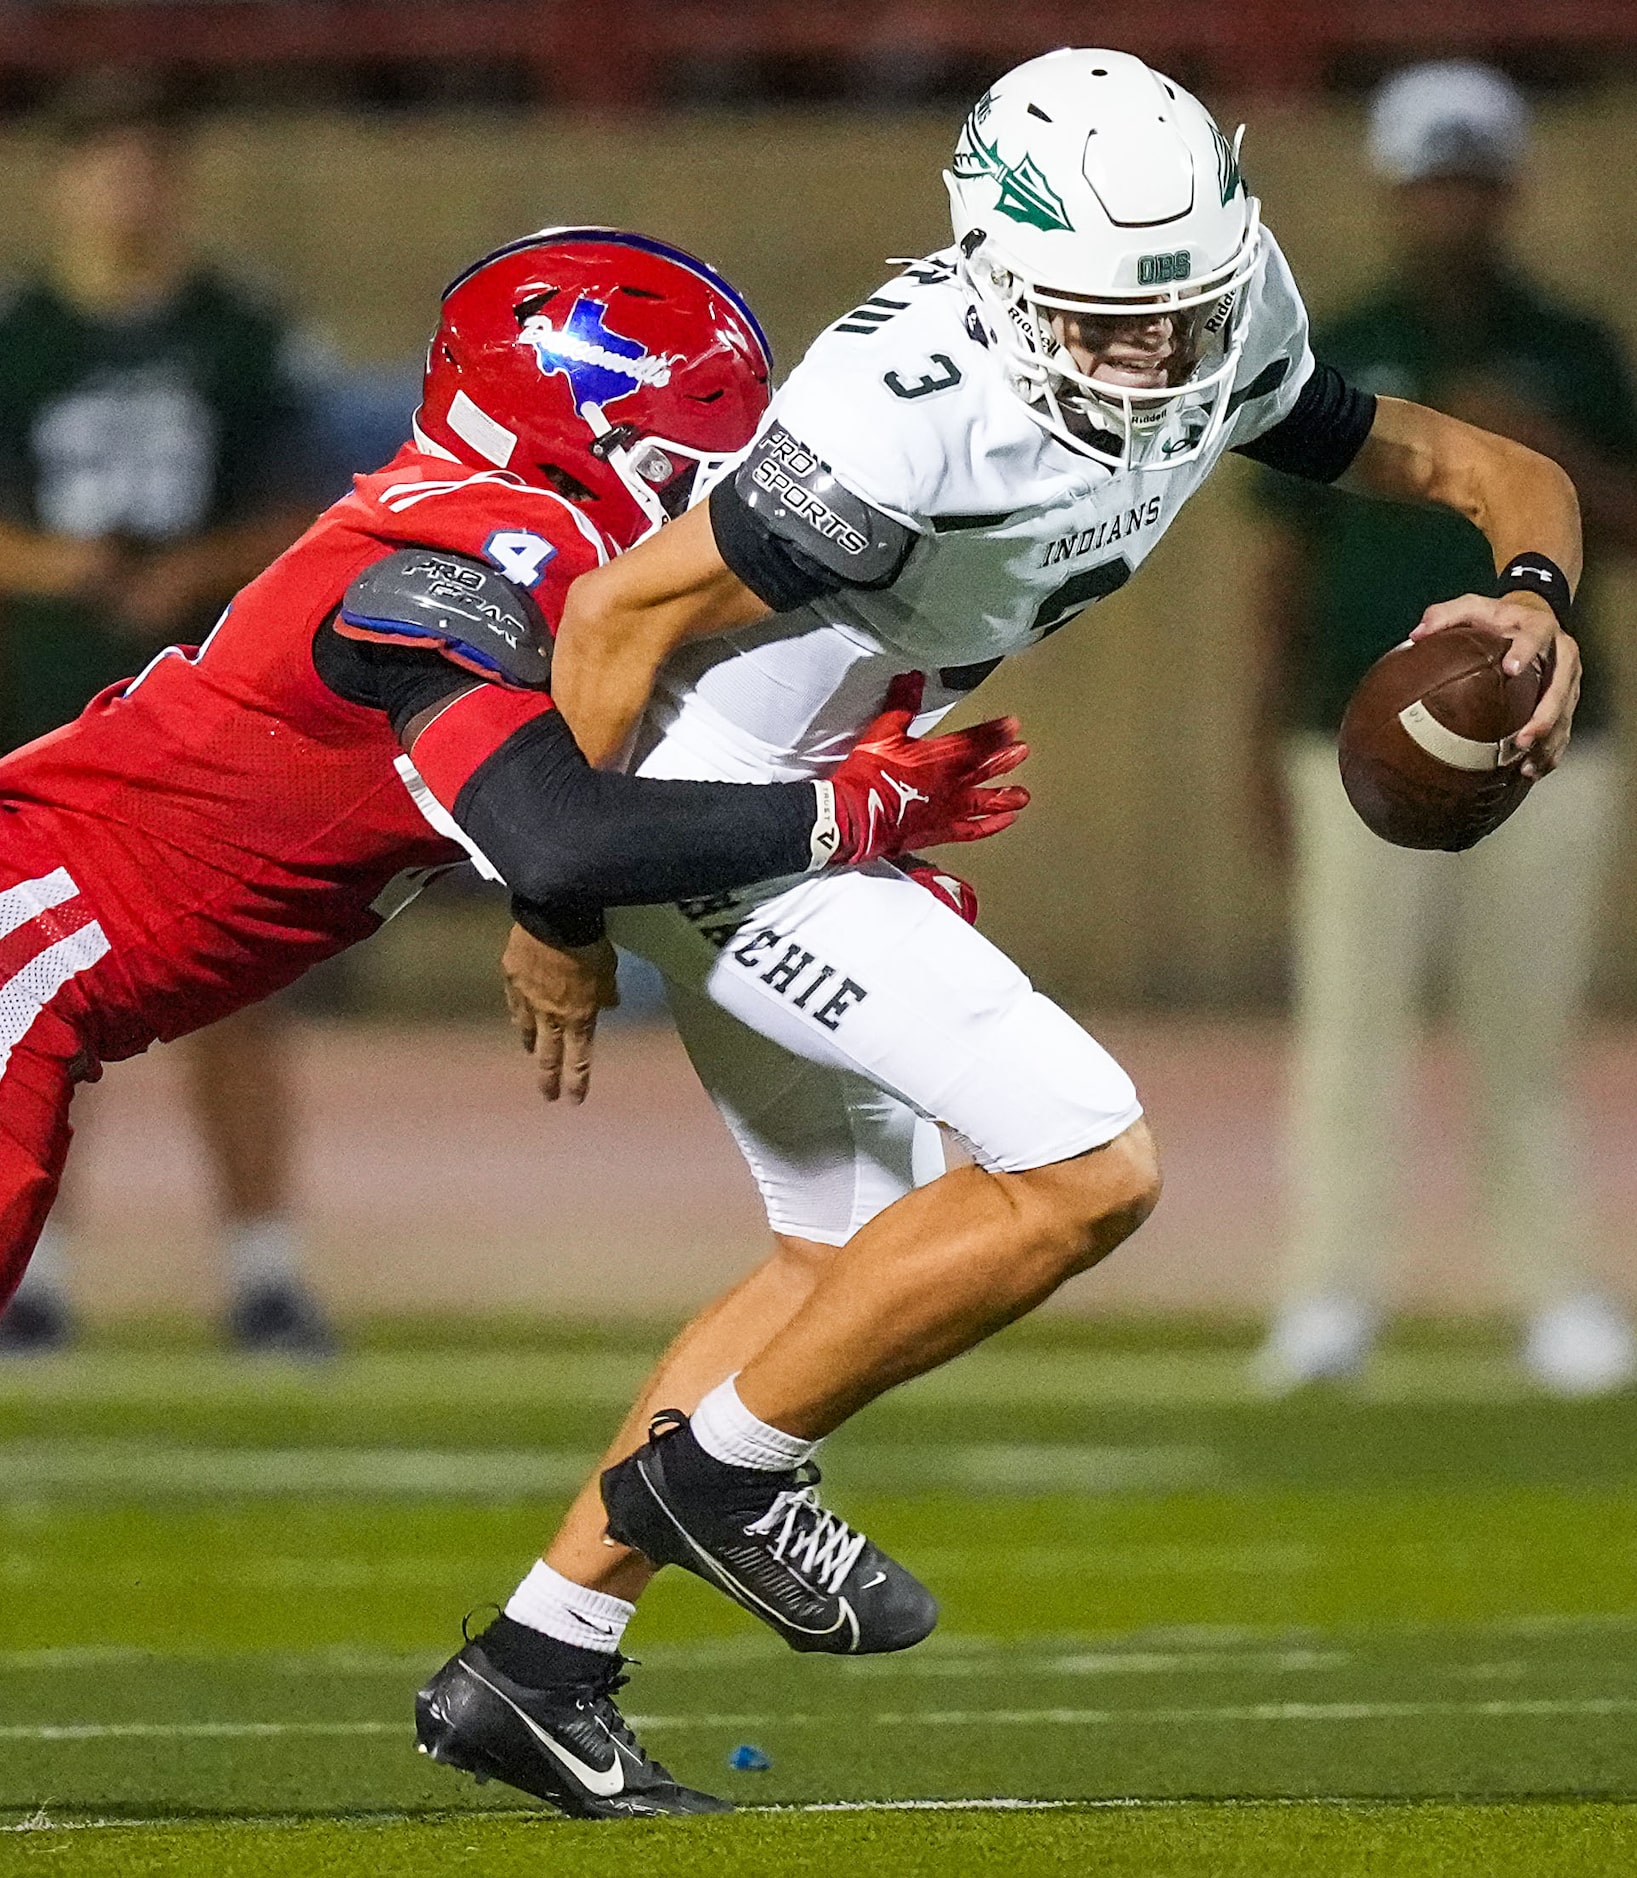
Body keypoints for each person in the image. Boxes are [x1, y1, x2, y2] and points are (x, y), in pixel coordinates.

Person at [415, 50, 1583, 1819]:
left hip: (819, 793)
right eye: (1110, 324)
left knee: (844, 1263)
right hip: (714, 793)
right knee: (1082, 1160)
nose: (1154, 360)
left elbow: (1494, 469)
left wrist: (1531, 597)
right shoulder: (898, 416)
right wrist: (559, 904)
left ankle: (540, 1656)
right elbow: (606, 621)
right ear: (995, 269)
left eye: (1179, 314)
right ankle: (717, 1485)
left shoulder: (1212, 307)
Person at [0, 225, 1027, 1394]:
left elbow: (633, 792)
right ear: (586, 430)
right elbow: (563, 835)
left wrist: (827, 857)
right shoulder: (450, 572)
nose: (712, 487)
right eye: (686, 448)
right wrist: (844, 822)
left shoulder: (491, 542)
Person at [1251, 63, 1637, 1396]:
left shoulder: (1572, 347)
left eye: (1473, 179)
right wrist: (1266, 737)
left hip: (1544, 741)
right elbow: (1285, 559)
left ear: (1508, 188)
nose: (1453, 207)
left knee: (1527, 1030)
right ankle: (1329, 1294)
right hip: (1353, 736)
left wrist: (1554, 456)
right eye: (1433, 180)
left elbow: (1625, 523)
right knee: (1347, 1028)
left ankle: (1553, 1290)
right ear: (1396, 190)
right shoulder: (1341, 344)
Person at [0, 74, 330, 1353]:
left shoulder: (241, 332)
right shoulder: (19, 333)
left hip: (205, 714)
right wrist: (54, 569)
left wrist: (194, 575)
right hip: (42, 708)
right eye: (105, 164)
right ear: (62, 182)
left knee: (236, 998)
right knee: (28, 1005)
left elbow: (317, 508)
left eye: (149, 164)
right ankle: (35, 1275)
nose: (127, 189)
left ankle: (264, 1268)